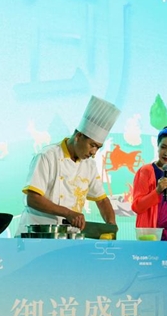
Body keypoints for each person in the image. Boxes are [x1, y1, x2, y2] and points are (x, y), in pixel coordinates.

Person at [17, 95, 121, 234]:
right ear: (78, 137)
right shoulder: (47, 156)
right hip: (37, 234)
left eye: (98, 148)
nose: (94, 152)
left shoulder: (89, 165)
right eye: (92, 145)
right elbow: (32, 198)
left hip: (67, 237)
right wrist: (68, 213)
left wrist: (111, 226)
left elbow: (102, 200)